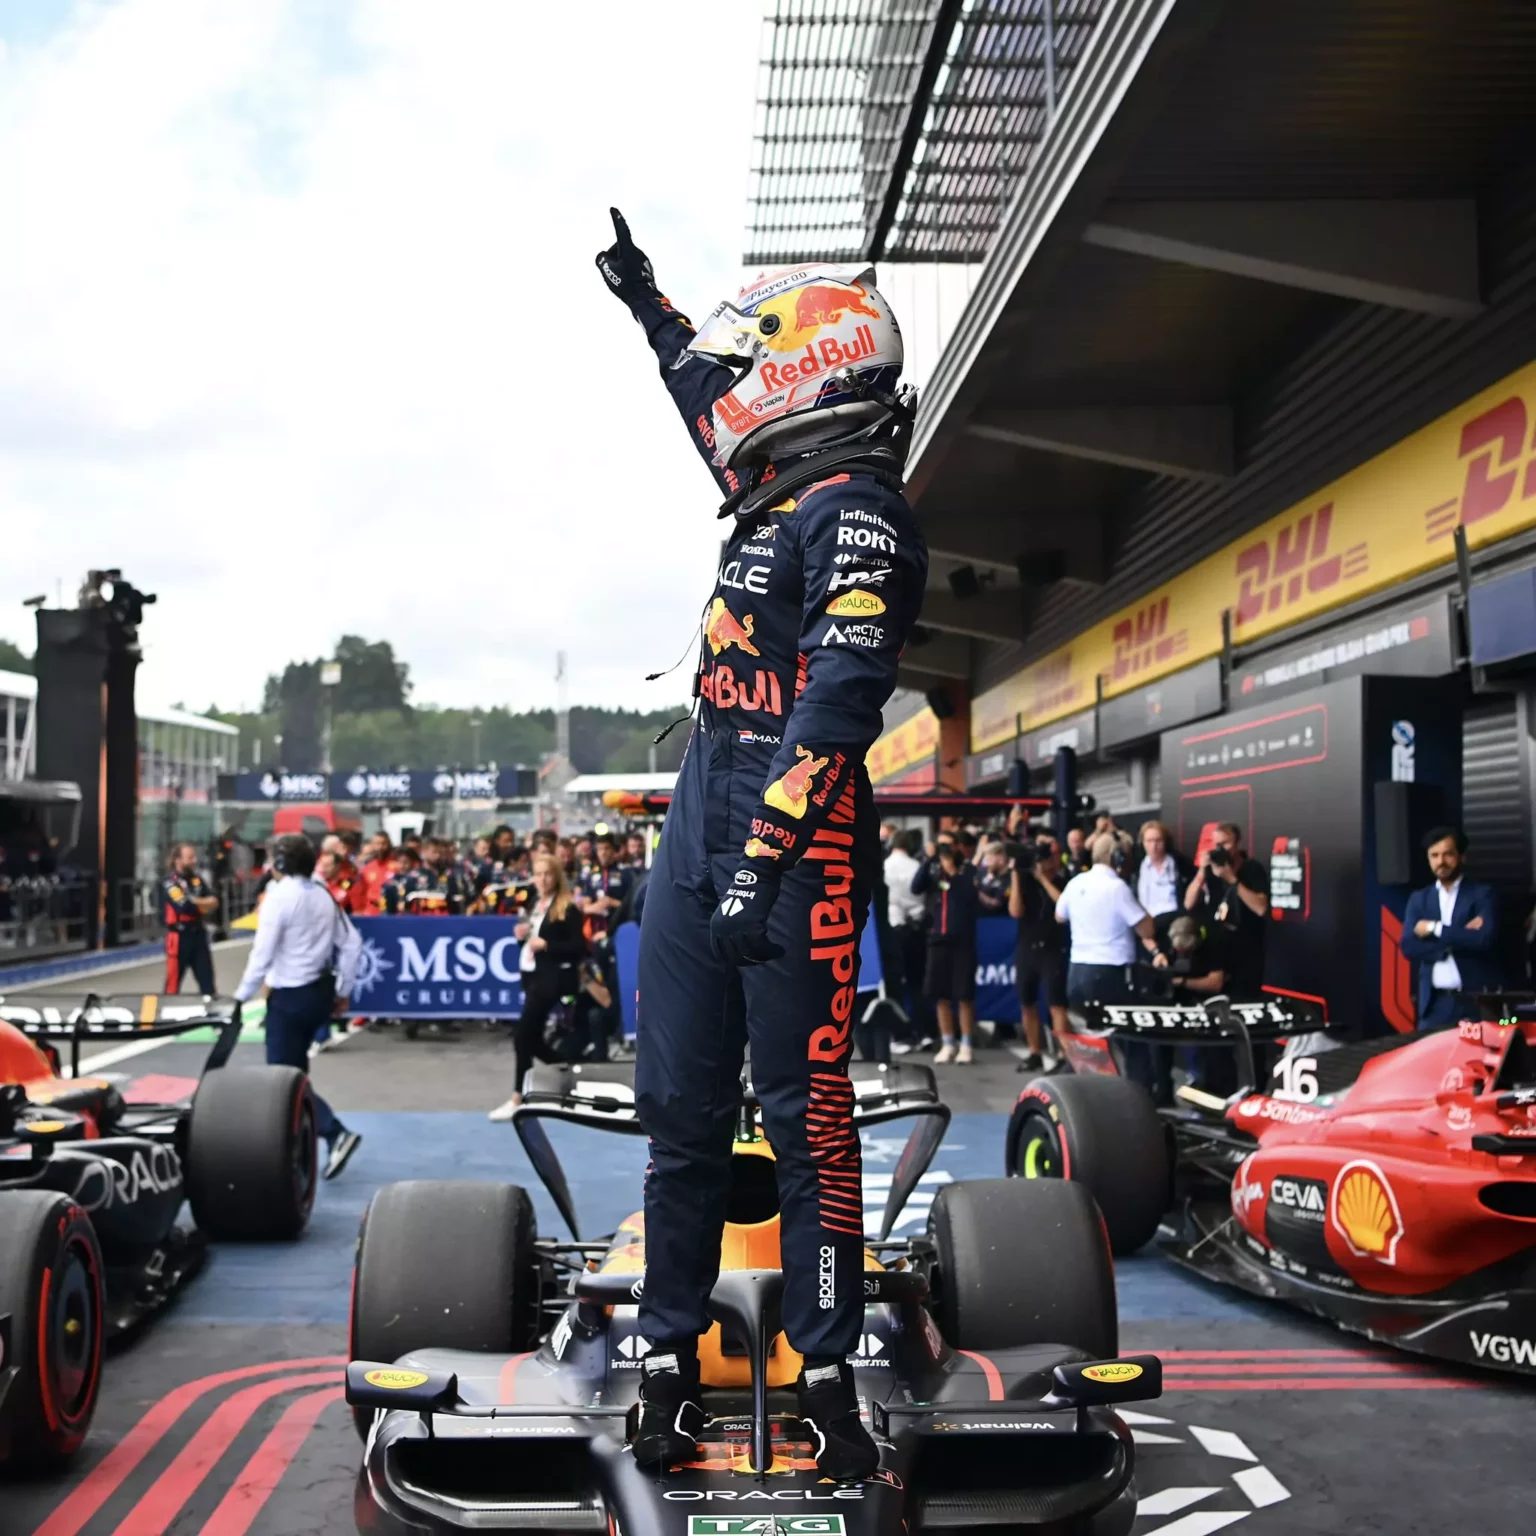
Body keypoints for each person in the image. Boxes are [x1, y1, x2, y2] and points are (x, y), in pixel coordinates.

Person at [598, 208, 923, 1478]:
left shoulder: (863, 515)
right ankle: (670, 1359)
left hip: (803, 838)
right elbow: (704, 397)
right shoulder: (775, 486)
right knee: (676, 1114)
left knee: (808, 1120)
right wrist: (648, 307)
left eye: (756, 368)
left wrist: (763, 859)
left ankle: (830, 1368)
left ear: (808, 374)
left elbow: (839, 708)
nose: (733, 394)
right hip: (699, 820)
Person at [232, 834, 362, 1178]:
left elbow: (262, 954)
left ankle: (334, 1133)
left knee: (281, 1081)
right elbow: (352, 944)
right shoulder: (322, 894)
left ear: (282, 864)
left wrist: (240, 998)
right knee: (297, 1074)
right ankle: (300, 1149)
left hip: (289, 997)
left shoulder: (279, 898)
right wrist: (343, 989)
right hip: (319, 994)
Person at [488, 854, 588, 1120]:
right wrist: (523, 938)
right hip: (533, 976)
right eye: (538, 874)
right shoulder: (536, 903)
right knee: (531, 1039)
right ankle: (569, 1070)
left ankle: (518, 1097)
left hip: (552, 980)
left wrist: (547, 945)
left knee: (523, 1036)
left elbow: (579, 947)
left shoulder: (567, 907)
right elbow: (535, 940)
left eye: (547, 874)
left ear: (557, 876)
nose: (542, 879)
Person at [1399, 826, 1500, 1030]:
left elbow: (1483, 940)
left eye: (1447, 854)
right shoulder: (1420, 899)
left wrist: (1435, 929)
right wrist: (1460, 935)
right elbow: (1408, 946)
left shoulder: (1482, 894)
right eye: (1434, 855)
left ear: (1462, 857)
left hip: (1473, 1004)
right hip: (1434, 1004)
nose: (1441, 861)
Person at [1056, 833, 1158, 1006]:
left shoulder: (1075, 882)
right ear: (1118, 859)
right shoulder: (1117, 888)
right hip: (1109, 973)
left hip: (1077, 971)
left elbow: (1059, 916)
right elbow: (1147, 930)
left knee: (1087, 1031)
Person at [1183, 822, 1269, 999]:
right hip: (1218, 948)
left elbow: (1261, 908)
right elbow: (1188, 903)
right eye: (1216, 845)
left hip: (1246, 950)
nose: (1220, 849)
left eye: (1225, 844)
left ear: (1237, 844)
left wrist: (1231, 879)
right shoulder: (1212, 870)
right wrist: (1201, 871)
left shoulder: (1252, 869)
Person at [912, 840, 980, 1064]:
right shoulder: (933, 873)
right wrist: (930, 859)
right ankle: (948, 1041)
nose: (945, 855)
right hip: (936, 938)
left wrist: (952, 870)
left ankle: (967, 1043)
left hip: (962, 941)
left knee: (964, 995)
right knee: (940, 994)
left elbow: (968, 895)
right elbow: (916, 887)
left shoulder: (968, 872)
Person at [1009, 835, 1066, 1070]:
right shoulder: (1024, 882)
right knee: (1027, 1001)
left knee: (1056, 1004)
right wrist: (1016, 876)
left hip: (1052, 947)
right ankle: (1034, 1052)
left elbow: (1063, 905)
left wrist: (1043, 878)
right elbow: (1015, 911)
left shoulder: (1064, 880)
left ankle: (1064, 1054)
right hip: (1027, 946)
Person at [883, 828, 932, 1053]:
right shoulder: (916, 867)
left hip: (893, 928)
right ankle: (923, 1032)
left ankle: (900, 1034)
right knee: (917, 983)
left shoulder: (884, 867)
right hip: (916, 928)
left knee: (894, 985)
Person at [160, 842, 219, 994]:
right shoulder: (170, 882)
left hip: (199, 934)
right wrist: (202, 903)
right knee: (173, 985)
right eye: (190, 857)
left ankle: (211, 1013)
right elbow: (184, 906)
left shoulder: (197, 880)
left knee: (208, 982)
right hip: (179, 937)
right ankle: (165, 1014)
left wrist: (195, 901)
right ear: (177, 860)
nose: (194, 860)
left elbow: (215, 901)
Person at [1135, 821, 1187, 924]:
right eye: (1149, 841)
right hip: (1149, 921)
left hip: (1174, 919)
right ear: (1143, 843)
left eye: (1158, 841)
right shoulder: (1137, 868)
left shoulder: (1179, 863)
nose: (1154, 846)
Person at [356, 832, 394, 913]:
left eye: (383, 843)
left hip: (391, 912)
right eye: (377, 844)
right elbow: (361, 893)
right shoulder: (367, 868)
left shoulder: (396, 866)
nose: (380, 847)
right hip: (371, 912)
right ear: (372, 846)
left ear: (389, 844)